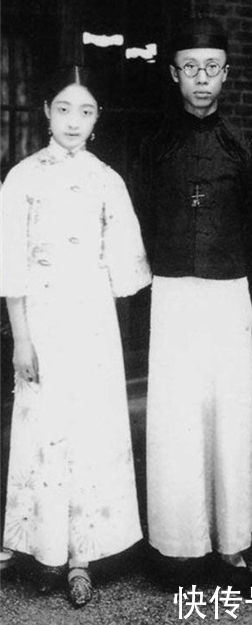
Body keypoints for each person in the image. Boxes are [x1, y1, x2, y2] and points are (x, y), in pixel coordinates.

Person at [0, 67, 151, 607]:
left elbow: (125, 267)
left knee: (87, 429)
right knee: (43, 427)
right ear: (46, 111)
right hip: (39, 319)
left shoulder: (107, 179)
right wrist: (21, 339)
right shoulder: (22, 177)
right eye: (63, 109)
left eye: (85, 111)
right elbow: (10, 263)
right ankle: (35, 544)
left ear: (97, 119)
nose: (73, 121)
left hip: (90, 322)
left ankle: (82, 555)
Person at [140, 17, 252, 595]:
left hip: (227, 294)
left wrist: (248, 301)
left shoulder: (243, 146)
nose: (201, 78)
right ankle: (179, 548)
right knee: (176, 420)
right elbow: (141, 225)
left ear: (226, 74)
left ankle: (231, 547)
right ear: (174, 75)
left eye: (211, 68)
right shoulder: (153, 146)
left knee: (228, 418)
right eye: (190, 67)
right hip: (173, 295)